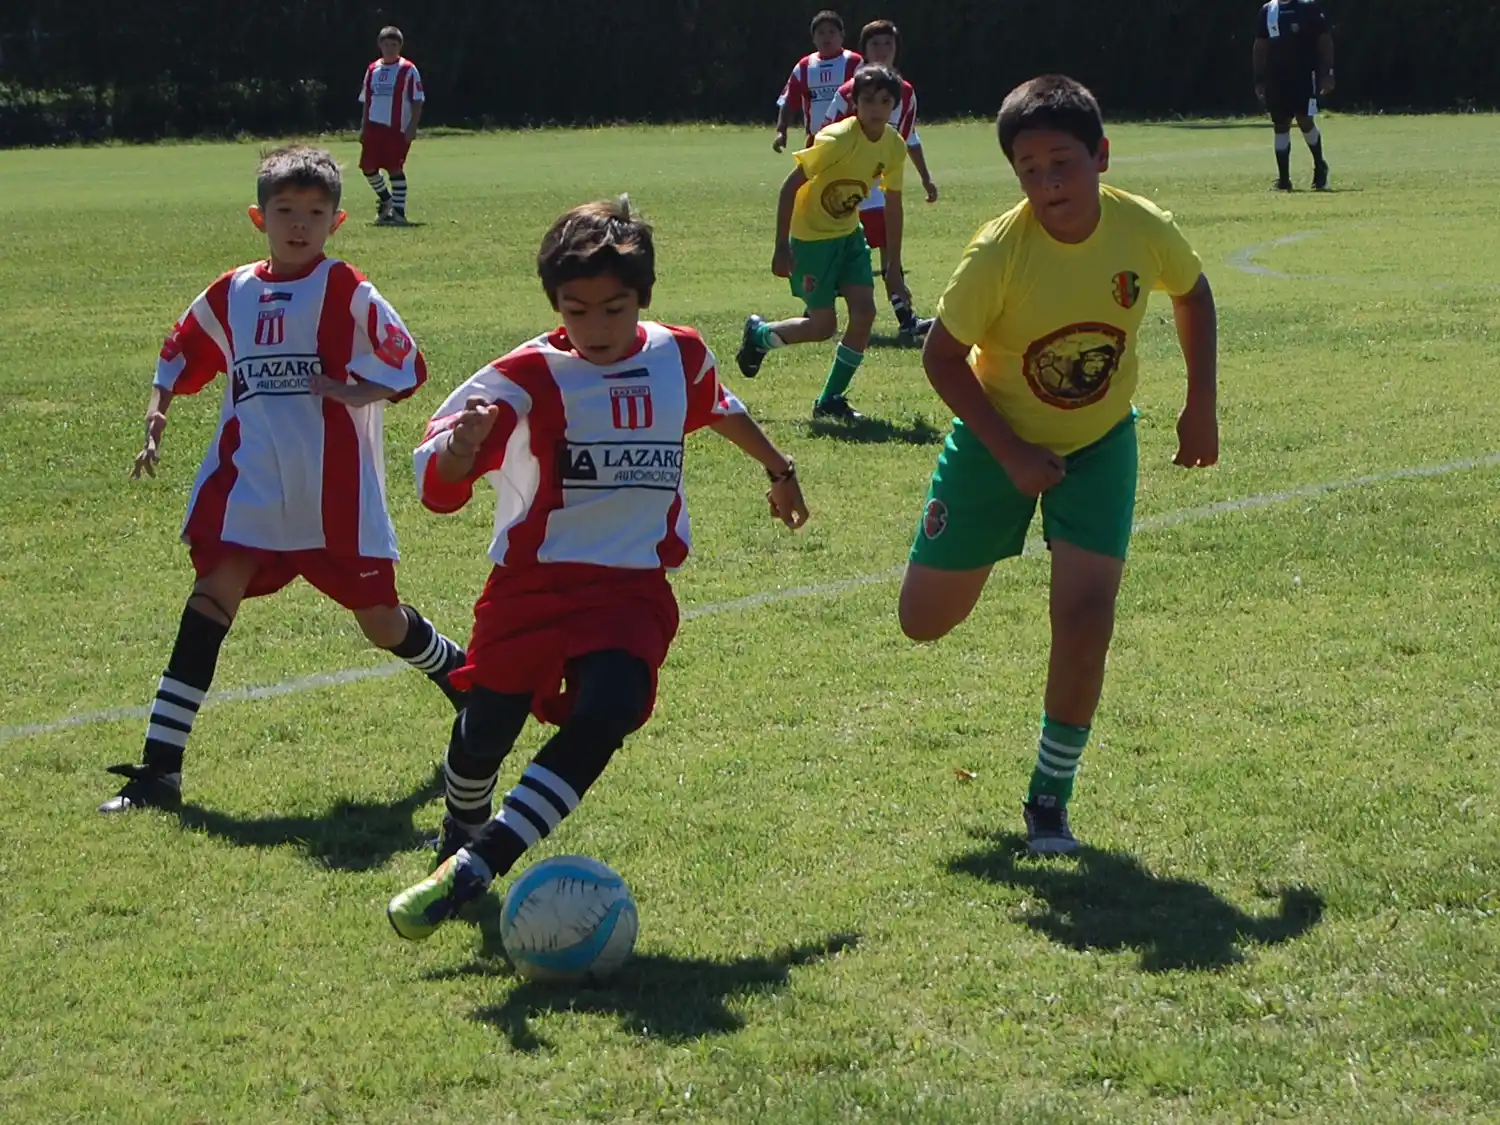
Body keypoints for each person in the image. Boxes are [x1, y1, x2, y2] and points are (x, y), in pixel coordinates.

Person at [386, 197, 809, 940]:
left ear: (643, 298)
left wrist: (779, 467)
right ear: (555, 306)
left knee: (610, 708)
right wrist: (460, 450)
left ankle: (479, 861)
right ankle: (462, 828)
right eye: (576, 311)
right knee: (487, 728)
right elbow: (434, 483)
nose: (597, 329)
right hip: (532, 588)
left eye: (614, 308)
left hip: (630, 588)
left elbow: (718, 404)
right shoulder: (524, 378)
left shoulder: (677, 354)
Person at [898, 76, 1220, 856]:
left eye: (1063, 164)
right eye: (1030, 170)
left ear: (1101, 156)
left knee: (1085, 617)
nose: (1048, 184)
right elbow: (940, 356)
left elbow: (1193, 291)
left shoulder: (1142, 228)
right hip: (993, 439)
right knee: (924, 621)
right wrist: (1008, 454)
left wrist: (1201, 401)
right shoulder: (999, 253)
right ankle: (986, 532)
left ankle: (1049, 797)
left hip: (1100, 442)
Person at [102, 146, 466, 815]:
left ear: (337, 219)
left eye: (315, 213)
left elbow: (408, 362)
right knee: (211, 597)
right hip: (249, 484)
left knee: (382, 624)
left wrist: (351, 388)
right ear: (258, 216)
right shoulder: (234, 290)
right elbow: (180, 347)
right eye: (285, 211)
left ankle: (466, 680)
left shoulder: (347, 289)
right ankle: (159, 770)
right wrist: (157, 414)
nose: (299, 224)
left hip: (332, 495)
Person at [738, 63, 909, 423]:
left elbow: (893, 202)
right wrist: (782, 246)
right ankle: (760, 336)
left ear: (894, 105)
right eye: (867, 100)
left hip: (849, 235)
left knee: (864, 312)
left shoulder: (893, 145)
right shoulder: (837, 139)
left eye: (884, 100)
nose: (876, 108)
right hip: (812, 240)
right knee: (822, 327)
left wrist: (893, 263)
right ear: (854, 103)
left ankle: (830, 399)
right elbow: (790, 186)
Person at [817, 19, 939, 343]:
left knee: (889, 251)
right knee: (840, 252)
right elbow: (823, 138)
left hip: (882, 191)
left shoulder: (907, 95)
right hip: (846, 191)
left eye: (888, 44)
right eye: (875, 45)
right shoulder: (849, 93)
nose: (882, 51)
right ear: (864, 51)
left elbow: (907, 138)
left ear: (897, 50)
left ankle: (905, 318)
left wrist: (926, 177)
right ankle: (816, 311)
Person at [1253, 0, 1334, 191]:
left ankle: (1319, 166)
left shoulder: (1308, 7)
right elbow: (1260, 45)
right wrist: (1259, 79)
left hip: (1304, 74)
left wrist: (1327, 71)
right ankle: (1283, 180)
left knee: (1304, 119)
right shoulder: (1269, 10)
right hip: (1277, 78)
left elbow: (1325, 40)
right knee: (1280, 124)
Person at [359, 26, 425, 224]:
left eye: (393, 45)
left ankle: (399, 212)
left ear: (400, 46)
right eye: (386, 44)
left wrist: (412, 126)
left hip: (397, 128)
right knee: (367, 167)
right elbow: (366, 99)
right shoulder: (372, 69)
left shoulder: (408, 69)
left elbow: (417, 100)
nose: (389, 48)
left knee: (394, 168)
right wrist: (363, 126)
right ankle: (386, 199)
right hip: (373, 126)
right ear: (380, 45)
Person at [772, 10, 862, 154]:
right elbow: (789, 101)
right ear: (813, 38)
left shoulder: (855, 63)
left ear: (842, 36)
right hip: (816, 142)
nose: (826, 37)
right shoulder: (804, 66)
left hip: (851, 142)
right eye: (821, 33)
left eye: (832, 32)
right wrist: (781, 131)